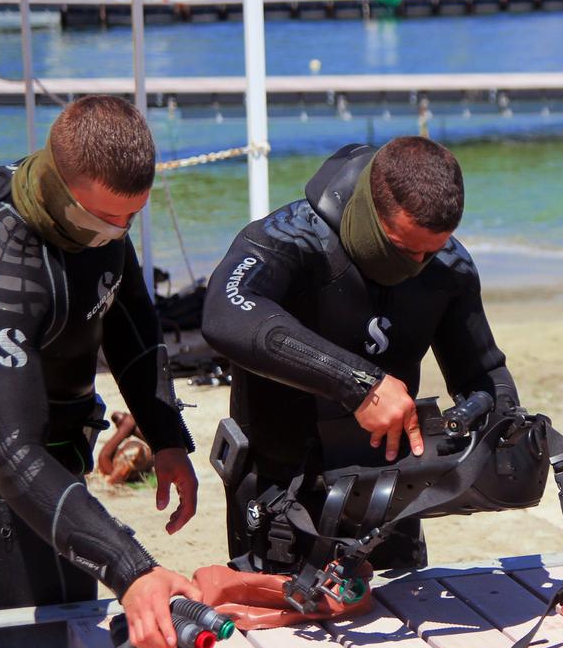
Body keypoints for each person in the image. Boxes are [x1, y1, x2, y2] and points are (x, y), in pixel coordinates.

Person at [0, 95, 200, 648]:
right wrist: (132, 568)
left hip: (64, 452)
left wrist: (167, 439)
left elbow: (132, 327)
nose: (118, 232)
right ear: (59, 185)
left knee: (80, 629)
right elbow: (14, 457)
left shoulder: (102, 222)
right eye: (104, 218)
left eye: (131, 217)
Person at [202, 137, 519, 570]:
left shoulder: (447, 265)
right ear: (371, 210)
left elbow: (483, 372)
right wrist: (359, 385)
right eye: (403, 248)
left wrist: (506, 431)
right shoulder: (291, 237)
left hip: (390, 491)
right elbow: (224, 313)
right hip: (281, 487)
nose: (417, 263)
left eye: (432, 251)